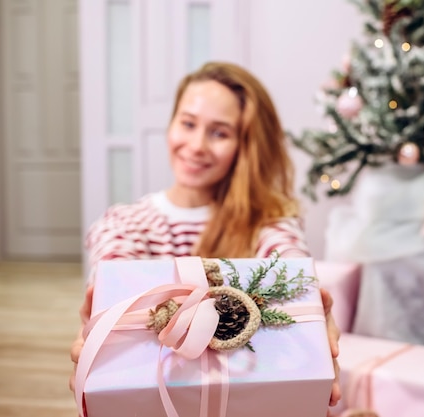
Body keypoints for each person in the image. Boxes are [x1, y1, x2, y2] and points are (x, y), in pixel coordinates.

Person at [69, 61, 341, 412]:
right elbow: (115, 283)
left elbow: (286, 257)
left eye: (219, 133)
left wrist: (314, 324)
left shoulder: (268, 224)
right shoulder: (124, 224)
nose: (196, 146)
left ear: (246, 146)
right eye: (187, 123)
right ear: (170, 125)